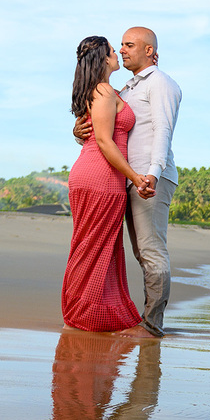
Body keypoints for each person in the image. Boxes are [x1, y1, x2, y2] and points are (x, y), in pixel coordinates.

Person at [75, 26, 182, 339]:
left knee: (150, 250)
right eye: (120, 45)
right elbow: (104, 126)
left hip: (149, 178)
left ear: (149, 50)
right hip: (124, 179)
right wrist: (78, 131)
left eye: (129, 45)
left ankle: (152, 324)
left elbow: (163, 130)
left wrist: (153, 173)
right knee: (136, 251)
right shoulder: (127, 88)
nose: (122, 50)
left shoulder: (161, 83)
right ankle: (134, 317)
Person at [61, 36, 153, 333]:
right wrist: (135, 176)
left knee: (97, 246)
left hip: (100, 176)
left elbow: (94, 132)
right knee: (92, 247)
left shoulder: (106, 90)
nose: (118, 53)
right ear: (103, 59)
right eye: (114, 50)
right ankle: (79, 313)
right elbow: (103, 140)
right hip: (100, 177)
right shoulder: (102, 90)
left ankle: (89, 312)